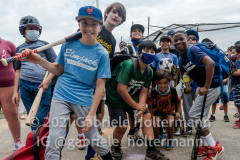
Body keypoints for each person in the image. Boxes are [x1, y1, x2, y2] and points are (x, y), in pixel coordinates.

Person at [18, 6, 113, 160]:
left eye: (94, 24)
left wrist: (91, 114)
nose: (89, 28)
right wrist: (38, 60)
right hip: (61, 95)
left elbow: (100, 85)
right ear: (79, 25)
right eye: (84, 23)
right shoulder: (68, 44)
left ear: (100, 27)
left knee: (93, 138)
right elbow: (58, 69)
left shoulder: (102, 53)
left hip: (84, 99)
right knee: (54, 140)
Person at [106, 40, 170, 160]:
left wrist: (141, 105)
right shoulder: (129, 65)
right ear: (139, 53)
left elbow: (144, 91)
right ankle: (115, 146)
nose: (150, 54)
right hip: (115, 97)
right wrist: (136, 105)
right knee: (122, 126)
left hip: (132, 95)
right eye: (146, 51)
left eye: (152, 52)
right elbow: (121, 90)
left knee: (146, 117)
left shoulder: (149, 71)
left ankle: (151, 151)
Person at [173, 31, 224, 159]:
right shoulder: (180, 59)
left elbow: (210, 63)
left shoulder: (193, 49)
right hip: (204, 88)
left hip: (212, 86)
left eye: (181, 39)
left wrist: (206, 86)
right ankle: (205, 145)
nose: (178, 42)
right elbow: (186, 75)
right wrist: (187, 87)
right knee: (199, 117)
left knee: (194, 114)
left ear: (187, 40)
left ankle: (214, 147)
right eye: (175, 40)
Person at [12, 15, 57, 131]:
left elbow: (56, 65)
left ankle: (44, 142)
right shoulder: (19, 49)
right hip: (25, 86)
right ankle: (37, 144)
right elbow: (17, 71)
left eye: (36, 28)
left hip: (42, 86)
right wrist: (15, 92)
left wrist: (47, 81)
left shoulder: (45, 45)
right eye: (30, 28)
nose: (34, 31)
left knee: (41, 117)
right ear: (23, 31)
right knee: (32, 118)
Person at [0, 38, 24, 150]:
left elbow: (18, 65)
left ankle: (17, 142)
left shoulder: (8, 44)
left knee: (12, 115)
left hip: (9, 86)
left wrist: (17, 89)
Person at [147, 69, 181, 150]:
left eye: (165, 82)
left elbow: (178, 101)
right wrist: (152, 118)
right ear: (156, 83)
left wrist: (178, 112)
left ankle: (169, 139)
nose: (163, 85)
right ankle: (157, 138)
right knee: (155, 125)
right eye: (160, 83)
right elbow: (150, 106)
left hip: (169, 110)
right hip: (157, 110)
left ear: (169, 82)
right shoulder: (153, 92)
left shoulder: (173, 90)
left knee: (170, 123)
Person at [182, 30, 199, 137]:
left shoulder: (200, 51)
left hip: (198, 83)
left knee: (199, 106)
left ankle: (199, 126)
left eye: (193, 38)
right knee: (187, 105)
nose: (191, 40)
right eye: (188, 38)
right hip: (186, 82)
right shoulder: (183, 53)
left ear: (197, 41)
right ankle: (188, 126)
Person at [231, 44, 240, 129]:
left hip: (238, 85)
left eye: (234, 52)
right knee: (237, 104)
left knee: (239, 104)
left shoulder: (238, 61)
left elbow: (238, 72)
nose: (233, 54)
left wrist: (230, 73)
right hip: (237, 84)